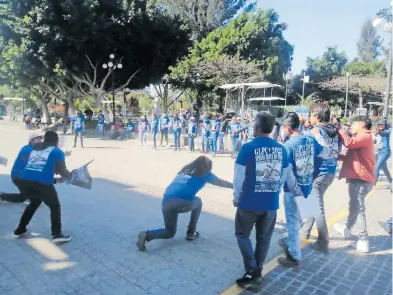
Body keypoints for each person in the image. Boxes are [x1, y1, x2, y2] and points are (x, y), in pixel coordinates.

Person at [233, 111, 302, 288]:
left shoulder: (247, 148)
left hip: (248, 202)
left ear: (256, 127)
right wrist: (297, 192)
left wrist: (236, 197)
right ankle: (257, 271)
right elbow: (289, 176)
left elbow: (238, 177)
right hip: (270, 204)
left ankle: (252, 271)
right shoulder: (282, 149)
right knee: (263, 239)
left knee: (242, 234)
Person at [136, 156, 232, 250]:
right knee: (198, 202)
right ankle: (191, 232)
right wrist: (235, 186)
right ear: (208, 167)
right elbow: (222, 183)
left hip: (166, 201)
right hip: (181, 202)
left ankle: (147, 235)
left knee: (169, 232)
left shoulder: (184, 171)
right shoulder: (205, 173)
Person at [277, 112, 328, 267]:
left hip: (292, 189)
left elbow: (285, 171)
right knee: (300, 218)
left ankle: (294, 255)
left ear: (287, 127)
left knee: (292, 221)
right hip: (308, 185)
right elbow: (324, 153)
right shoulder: (309, 139)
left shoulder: (288, 146)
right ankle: (291, 240)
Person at [13, 131, 73, 243]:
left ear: (44, 139)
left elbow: (42, 166)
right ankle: (57, 234)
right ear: (56, 141)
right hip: (41, 184)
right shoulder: (57, 151)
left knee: (35, 202)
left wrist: (55, 178)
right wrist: (72, 176)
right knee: (55, 206)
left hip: (24, 182)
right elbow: (62, 170)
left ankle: (21, 228)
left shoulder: (35, 147)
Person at [301, 103, 340, 253]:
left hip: (318, 174)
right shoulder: (335, 131)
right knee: (313, 203)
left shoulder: (314, 132)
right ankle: (305, 231)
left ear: (316, 117)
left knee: (317, 209)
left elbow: (306, 153)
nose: (309, 118)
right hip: (330, 173)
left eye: (310, 115)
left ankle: (323, 241)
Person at [334, 116, 376, 253]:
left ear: (362, 124)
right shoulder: (362, 137)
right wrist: (337, 155)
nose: (351, 126)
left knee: (359, 210)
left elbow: (349, 143)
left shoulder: (365, 135)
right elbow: (352, 156)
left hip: (361, 179)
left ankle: (364, 241)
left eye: (353, 123)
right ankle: (347, 229)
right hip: (358, 177)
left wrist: (339, 128)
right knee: (353, 206)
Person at [1, 134, 43, 203]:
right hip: (18, 177)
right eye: (37, 139)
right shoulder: (27, 149)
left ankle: (3, 196)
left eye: (40, 140)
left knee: (23, 197)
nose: (39, 141)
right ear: (31, 141)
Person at [373, 119, 392, 190]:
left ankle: (373, 184)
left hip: (385, 152)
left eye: (382, 124)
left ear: (385, 125)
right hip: (379, 152)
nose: (381, 125)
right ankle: (391, 181)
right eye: (379, 124)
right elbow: (375, 142)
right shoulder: (376, 133)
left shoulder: (388, 131)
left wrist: (378, 132)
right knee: (384, 168)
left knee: (376, 167)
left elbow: (383, 134)